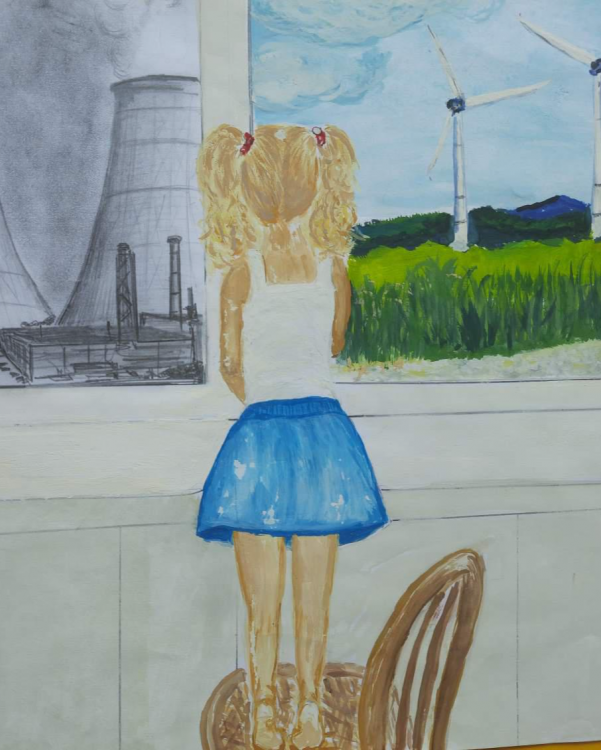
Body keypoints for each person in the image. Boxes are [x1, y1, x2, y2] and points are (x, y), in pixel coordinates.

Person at [195, 124, 388, 750]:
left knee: (262, 608)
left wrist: (262, 403)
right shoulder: (335, 271)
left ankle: (261, 715)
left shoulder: (240, 275)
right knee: (314, 604)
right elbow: (333, 343)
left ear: (247, 190)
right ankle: (308, 712)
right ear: (317, 186)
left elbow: (231, 364)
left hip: (259, 440)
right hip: (325, 441)